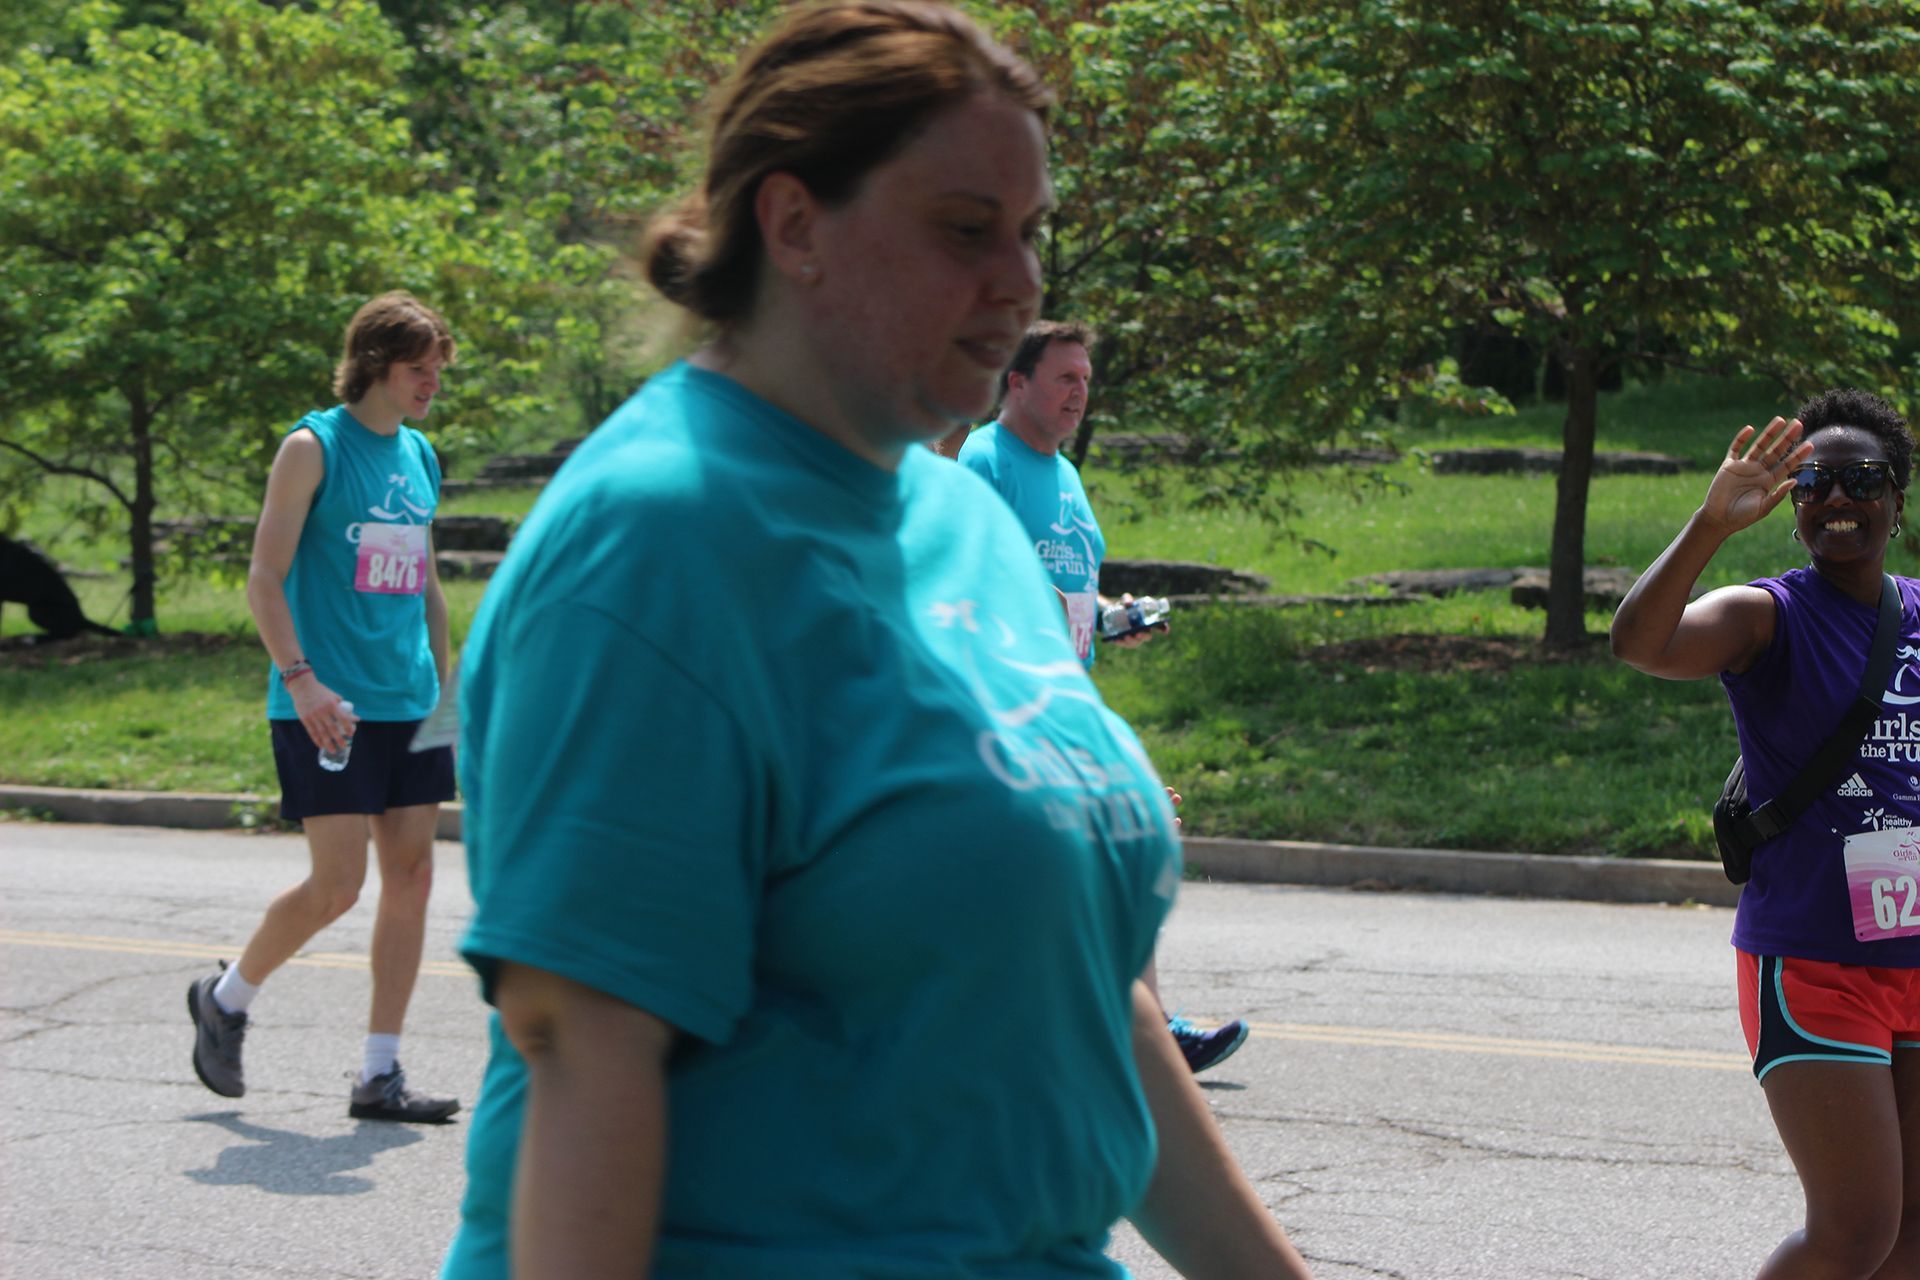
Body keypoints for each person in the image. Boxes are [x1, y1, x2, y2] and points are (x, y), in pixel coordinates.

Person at [441, 4, 1314, 1277]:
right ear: (795, 225)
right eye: (966, 228)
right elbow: (584, 1066)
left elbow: (1084, 989)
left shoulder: (967, 520)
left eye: (1030, 230)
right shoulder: (656, 543)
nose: (1020, 280)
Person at [1612, 389, 1920, 1279]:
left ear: (1897, 501)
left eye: (1862, 480)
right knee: (1854, 1232)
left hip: (1914, 954)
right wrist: (1709, 526)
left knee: (1914, 1229)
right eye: (1814, 483)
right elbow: (1641, 643)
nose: (1837, 498)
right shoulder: (1766, 614)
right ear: (1793, 506)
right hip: (1815, 962)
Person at [185, 291, 460, 1125]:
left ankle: (380, 1072)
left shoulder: (420, 453)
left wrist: (446, 694)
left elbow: (427, 585)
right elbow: (263, 578)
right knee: (338, 886)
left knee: (412, 879)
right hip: (326, 700)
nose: (432, 385)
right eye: (419, 370)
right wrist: (301, 680)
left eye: (438, 371)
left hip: (410, 699)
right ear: (375, 364)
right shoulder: (313, 448)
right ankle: (226, 1001)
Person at [959, 320, 1251, 1075]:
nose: (1080, 393)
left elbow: (1067, 592)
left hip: (1067, 702)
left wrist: (1111, 620)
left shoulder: (1065, 473)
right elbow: (977, 580)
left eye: (1086, 380)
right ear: (1017, 383)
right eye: (1065, 377)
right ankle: (1128, 1037)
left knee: (1106, 862)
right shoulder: (984, 460)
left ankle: (1126, 1033)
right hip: (1012, 710)